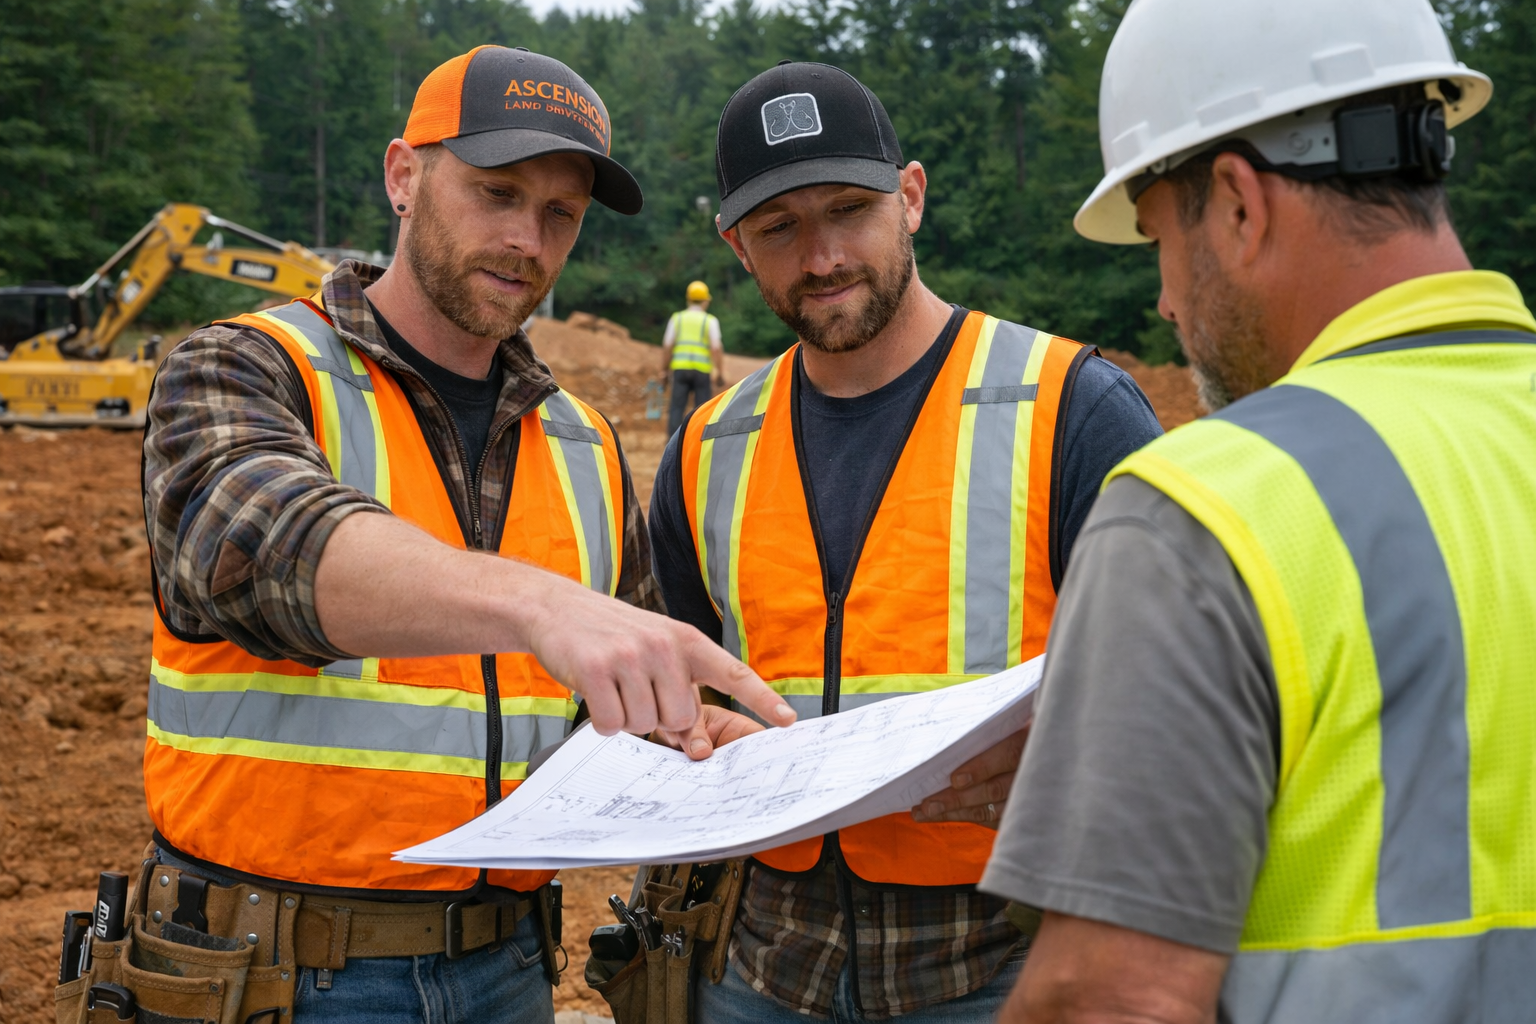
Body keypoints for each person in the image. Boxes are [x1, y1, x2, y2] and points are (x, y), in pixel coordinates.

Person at [140, 45, 793, 1024]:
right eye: (496, 191)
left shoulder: (582, 444)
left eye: (559, 214)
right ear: (404, 176)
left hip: (509, 970)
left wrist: (681, 737)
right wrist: (539, 603)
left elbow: (591, 707)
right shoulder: (248, 367)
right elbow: (254, 548)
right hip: (270, 972)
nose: (527, 237)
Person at [980, 1, 1536, 1021]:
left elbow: (1111, 1001)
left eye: (1157, 241)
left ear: (1236, 203)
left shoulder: (1200, 512)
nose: (1164, 303)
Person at [646, 61, 1163, 1022]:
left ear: (911, 198)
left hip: (1000, 951)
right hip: (766, 958)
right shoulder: (706, 449)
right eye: (779, 228)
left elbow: (1186, 694)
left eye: (850, 208)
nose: (823, 254)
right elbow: (679, 685)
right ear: (736, 246)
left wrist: (1075, 758)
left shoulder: (1072, 409)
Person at [660, 279, 726, 436]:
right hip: (702, 371)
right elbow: (716, 347)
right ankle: (699, 443)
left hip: (680, 370)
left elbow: (667, 345)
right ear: (705, 301)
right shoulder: (710, 320)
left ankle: (672, 446)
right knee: (702, 410)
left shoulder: (677, 318)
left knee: (676, 408)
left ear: (688, 299)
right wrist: (720, 371)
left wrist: (663, 370)